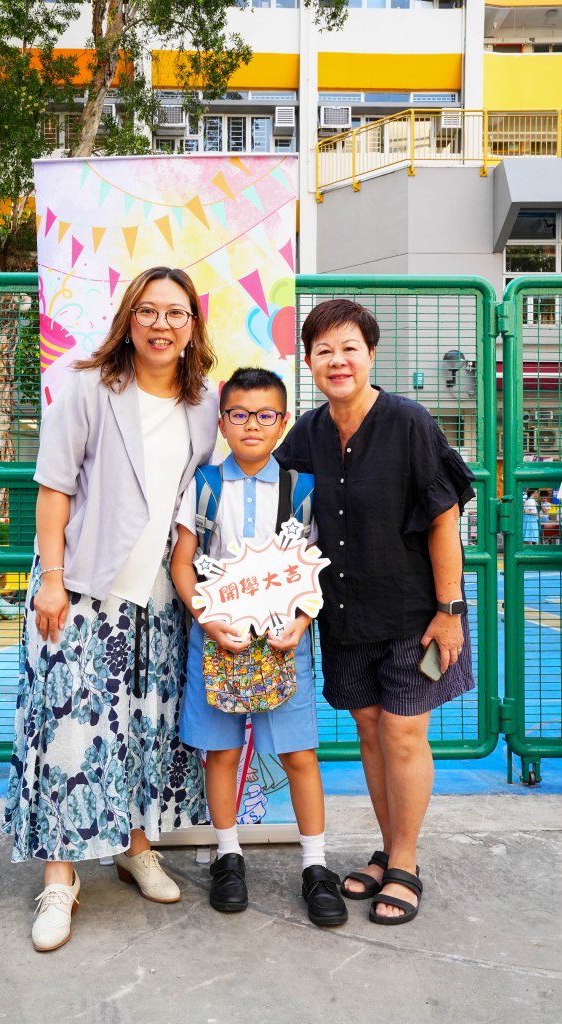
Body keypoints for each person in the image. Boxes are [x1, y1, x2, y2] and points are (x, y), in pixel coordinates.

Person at [3, 266, 218, 951]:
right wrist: (53, 580)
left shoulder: (204, 402)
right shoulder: (89, 386)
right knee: (68, 733)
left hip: (158, 599)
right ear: (129, 319)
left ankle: (134, 847)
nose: (161, 324)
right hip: (80, 588)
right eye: (148, 311)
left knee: (144, 729)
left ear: (192, 327)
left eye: (176, 313)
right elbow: (54, 487)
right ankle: (59, 878)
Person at [275, 299, 475, 926]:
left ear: (370, 354)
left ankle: (405, 864)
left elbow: (444, 520)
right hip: (343, 613)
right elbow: (280, 516)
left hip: (414, 612)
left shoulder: (409, 422)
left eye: (349, 348)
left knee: (403, 731)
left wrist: (450, 609)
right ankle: (389, 849)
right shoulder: (306, 433)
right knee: (368, 729)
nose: (337, 361)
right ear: (309, 361)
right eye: (324, 351)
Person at [171, 367, 348, 928]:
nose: (252, 425)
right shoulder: (203, 484)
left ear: (283, 422)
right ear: (222, 422)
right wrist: (207, 620)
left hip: (283, 642)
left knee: (298, 754)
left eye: (265, 415)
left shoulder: (302, 490)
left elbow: (315, 569)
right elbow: (182, 563)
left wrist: (302, 621)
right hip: (216, 640)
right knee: (221, 753)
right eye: (240, 414)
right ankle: (228, 857)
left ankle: (316, 866)